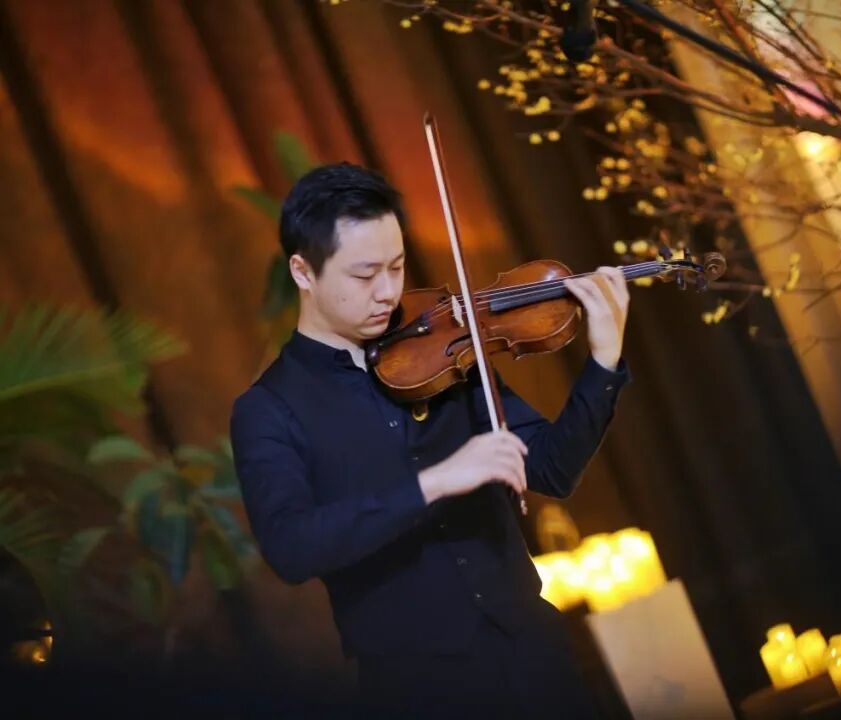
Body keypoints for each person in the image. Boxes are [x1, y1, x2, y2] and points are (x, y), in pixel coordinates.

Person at [229, 162, 631, 718]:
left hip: (537, 658)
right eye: (364, 275)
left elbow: (551, 469)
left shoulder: (444, 345)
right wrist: (435, 482)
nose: (388, 292)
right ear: (303, 271)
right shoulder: (269, 410)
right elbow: (293, 548)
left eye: (396, 266)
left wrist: (603, 362)